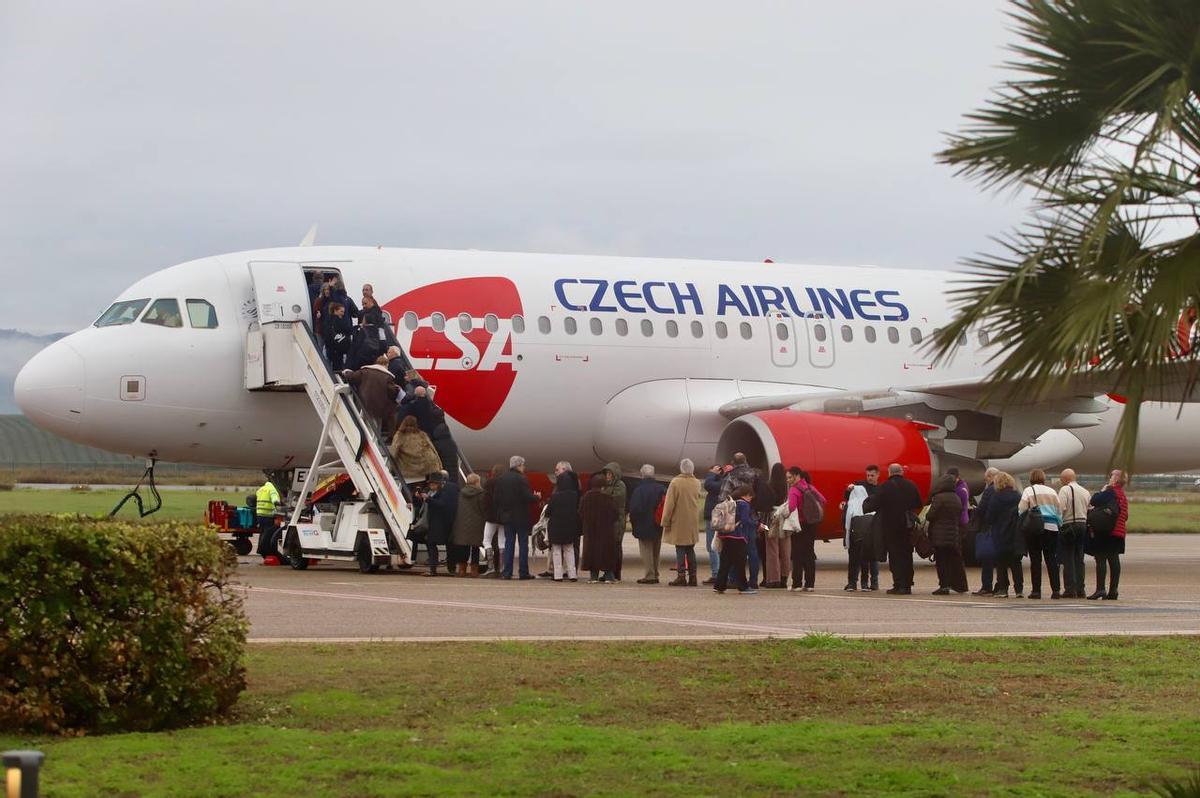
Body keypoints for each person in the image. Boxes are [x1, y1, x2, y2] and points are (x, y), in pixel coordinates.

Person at [863, 463, 922, 595]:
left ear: (889, 473)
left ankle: (899, 584)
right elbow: (918, 503)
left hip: (890, 527)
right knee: (907, 556)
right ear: (902, 472)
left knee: (895, 556)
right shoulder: (911, 485)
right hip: (907, 526)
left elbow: (874, 504)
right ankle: (907, 584)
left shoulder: (885, 486)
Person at [1018, 468, 1063, 599]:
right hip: (1052, 527)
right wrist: (1058, 523)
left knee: (1035, 559)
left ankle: (1036, 591)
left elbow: (1021, 509)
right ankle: (1056, 590)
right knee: (1051, 559)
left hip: (1034, 528)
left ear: (1031, 478)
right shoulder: (1052, 491)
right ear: (1043, 478)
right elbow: (1059, 510)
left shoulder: (1028, 490)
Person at [492, 455, 538, 580]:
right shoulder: (522, 479)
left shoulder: (501, 479)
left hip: (507, 517)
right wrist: (536, 497)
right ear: (518, 465)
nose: (524, 467)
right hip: (521, 517)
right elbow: (527, 497)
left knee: (509, 544)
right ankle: (523, 572)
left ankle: (507, 572)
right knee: (523, 544)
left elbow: (496, 499)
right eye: (523, 465)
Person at [1088, 469, 1128, 600]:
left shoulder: (1110, 492)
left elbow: (1094, 500)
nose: (1109, 478)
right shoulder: (1122, 495)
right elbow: (1125, 515)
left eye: (1111, 476)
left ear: (1115, 479)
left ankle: (1100, 589)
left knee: (1100, 559)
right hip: (1119, 532)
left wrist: (1103, 489)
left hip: (1106, 531)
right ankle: (1113, 590)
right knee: (1114, 559)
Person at [661, 458, 702, 587]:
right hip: (692, 520)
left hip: (679, 520)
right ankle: (693, 577)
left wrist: (665, 520)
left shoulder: (676, 482)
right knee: (690, 549)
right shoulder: (697, 482)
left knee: (680, 548)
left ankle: (681, 576)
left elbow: (669, 504)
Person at [926, 474, 969, 594]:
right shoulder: (956, 498)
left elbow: (930, 515)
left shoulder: (939, 498)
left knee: (941, 561)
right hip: (953, 534)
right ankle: (958, 585)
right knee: (953, 560)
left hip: (939, 535)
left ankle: (944, 585)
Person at [841, 464, 881, 590]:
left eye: (872, 475)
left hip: (872, 526)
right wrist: (849, 490)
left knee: (871, 557)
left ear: (878, 475)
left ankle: (873, 582)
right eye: (868, 475)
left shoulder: (879, 490)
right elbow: (847, 497)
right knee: (858, 556)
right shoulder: (859, 485)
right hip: (859, 526)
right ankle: (855, 582)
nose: (869, 478)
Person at [342, 355, 400, 440]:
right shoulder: (387, 376)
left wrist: (346, 372)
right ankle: (376, 441)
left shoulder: (365, 371)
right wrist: (397, 389)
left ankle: (362, 439)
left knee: (365, 423)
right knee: (377, 426)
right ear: (386, 364)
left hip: (363, 403)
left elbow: (353, 377)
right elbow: (392, 391)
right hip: (379, 406)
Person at [986, 472, 1024, 598]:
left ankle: (1003, 589)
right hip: (1015, 532)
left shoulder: (996, 497)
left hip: (1000, 532)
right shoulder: (1017, 496)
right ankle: (1019, 589)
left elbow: (990, 517)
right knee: (1016, 562)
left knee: (1001, 562)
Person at [787, 467, 825, 592]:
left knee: (797, 554)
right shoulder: (810, 487)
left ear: (797, 476)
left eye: (790, 477)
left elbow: (791, 507)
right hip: (811, 524)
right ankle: (810, 584)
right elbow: (823, 500)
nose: (788, 480)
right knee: (809, 553)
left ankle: (797, 584)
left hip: (799, 525)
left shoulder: (794, 490)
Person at [714, 485, 757, 594]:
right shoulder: (744, 505)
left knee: (725, 562)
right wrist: (757, 524)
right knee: (740, 562)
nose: (751, 499)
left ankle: (719, 585)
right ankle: (743, 586)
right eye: (751, 496)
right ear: (746, 495)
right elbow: (745, 520)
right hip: (738, 536)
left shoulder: (731, 503)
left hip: (726, 535)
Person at [628, 464, 667, 584]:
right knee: (656, 551)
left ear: (642, 475)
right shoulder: (661, 488)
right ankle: (655, 573)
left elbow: (634, 509)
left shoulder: (638, 490)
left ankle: (650, 575)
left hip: (643, 524)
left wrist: (634, 523)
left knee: (646, 551)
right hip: (658, 523)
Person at [1057, 468, 1091, 598]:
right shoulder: (1085, 491)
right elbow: (1089, 508)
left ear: (1065, 479)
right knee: (1079, 557)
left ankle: (1070, 589)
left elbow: (1060, 508)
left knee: (1068, 557)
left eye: (1061, 479)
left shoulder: (1065, 490)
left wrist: (1059, 523)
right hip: (1083, 524)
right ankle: (1081, 589)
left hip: (1069, 525)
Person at [580, 474, 619, 583]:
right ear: (603, 486)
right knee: (606, 553)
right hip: (606, 531)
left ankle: (593, 576)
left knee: (592, 552)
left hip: (590, 531)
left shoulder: (586, 497)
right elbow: (615, 514)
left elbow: (581, 512)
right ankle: (609, 576)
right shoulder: (607, 498)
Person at [546, 468, 581, 582]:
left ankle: (558, 575)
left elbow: (548, 512)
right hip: (570, 526)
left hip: (556, 527)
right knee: (569, 549)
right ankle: (572, 574)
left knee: (556, 551)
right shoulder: (574, 496)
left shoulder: (555, 496)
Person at [422, 472, 458, 577]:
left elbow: (442, 504)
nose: (431, 486)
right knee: (447, 545)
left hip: (440, 522)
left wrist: (428, 499)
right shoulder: (450, 488)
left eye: (433, 484)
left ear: (439, 483)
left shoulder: (444, 492)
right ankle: (448, 569)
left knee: (433, 544)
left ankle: (435, 569)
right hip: (441, 522)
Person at [450, 472, 485, 576]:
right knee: (475, 547)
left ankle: (462, 569)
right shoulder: (481, 493)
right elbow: (483, 508)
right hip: (477, 523)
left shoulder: (461, 493)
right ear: (477, 482)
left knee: (463, 547)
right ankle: (474, 570)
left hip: (461, 523)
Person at [389, 416, 442, 482]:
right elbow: (433, 449)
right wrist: (439, 465)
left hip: (409, 469)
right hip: (428, 466)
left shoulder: (399, 436)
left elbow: (393, 453)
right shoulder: (422, 434)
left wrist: (391, 468)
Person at [972, 467, 1000, 596]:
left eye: (986, 479)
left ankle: (986, 586)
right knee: (1000, 560)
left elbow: (982, 509)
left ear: (990, 477)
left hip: (988, 528)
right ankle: (1001, 585)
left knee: (987, 558)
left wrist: (975, 510)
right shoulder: (1005, 489)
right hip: (1002, 528)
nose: (985, 481)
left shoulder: (989, 490)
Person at [843, 483, 872, 590]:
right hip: (866, 537)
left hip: (854, 536)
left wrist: (846, 540)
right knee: (865, 561)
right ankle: (864, 584)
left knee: (853, 561)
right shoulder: (868, 504)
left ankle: (852, 583)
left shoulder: (851, 504)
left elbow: (846, 523)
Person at [702, 465, 725, 584]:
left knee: (712, 545)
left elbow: (708, 485)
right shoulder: (722, 481)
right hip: (719, 516)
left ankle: (716, 574)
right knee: (718, 545)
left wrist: (712, 473)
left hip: (714, 517)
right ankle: (720, 572)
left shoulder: (719, 483)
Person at [482, 464, 505, 578]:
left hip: (491, 516)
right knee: (502, 542)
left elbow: (485, 500)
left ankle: (490, 567)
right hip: (503, 517)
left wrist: (486, 512)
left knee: (486, 541)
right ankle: (501, 568)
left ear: (493, 472)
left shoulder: (489, 483)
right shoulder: (506, 483)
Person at [254, 478, 283, 561]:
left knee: (263, 533)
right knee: (269, 534)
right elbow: (275, 501)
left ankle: (262, 551)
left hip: (259, 515)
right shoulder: (272, 489)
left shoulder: (261, 489)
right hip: (268, 515)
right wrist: (280, 512)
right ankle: (267, 551)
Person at [323, 301, 353, 370]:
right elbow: (348, 330)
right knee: (338, 366)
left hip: (330, 347)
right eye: (341, 311)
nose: (343, 314)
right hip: (337, 348)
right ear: (335, 311)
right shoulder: (338, 320)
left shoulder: (328, 320)